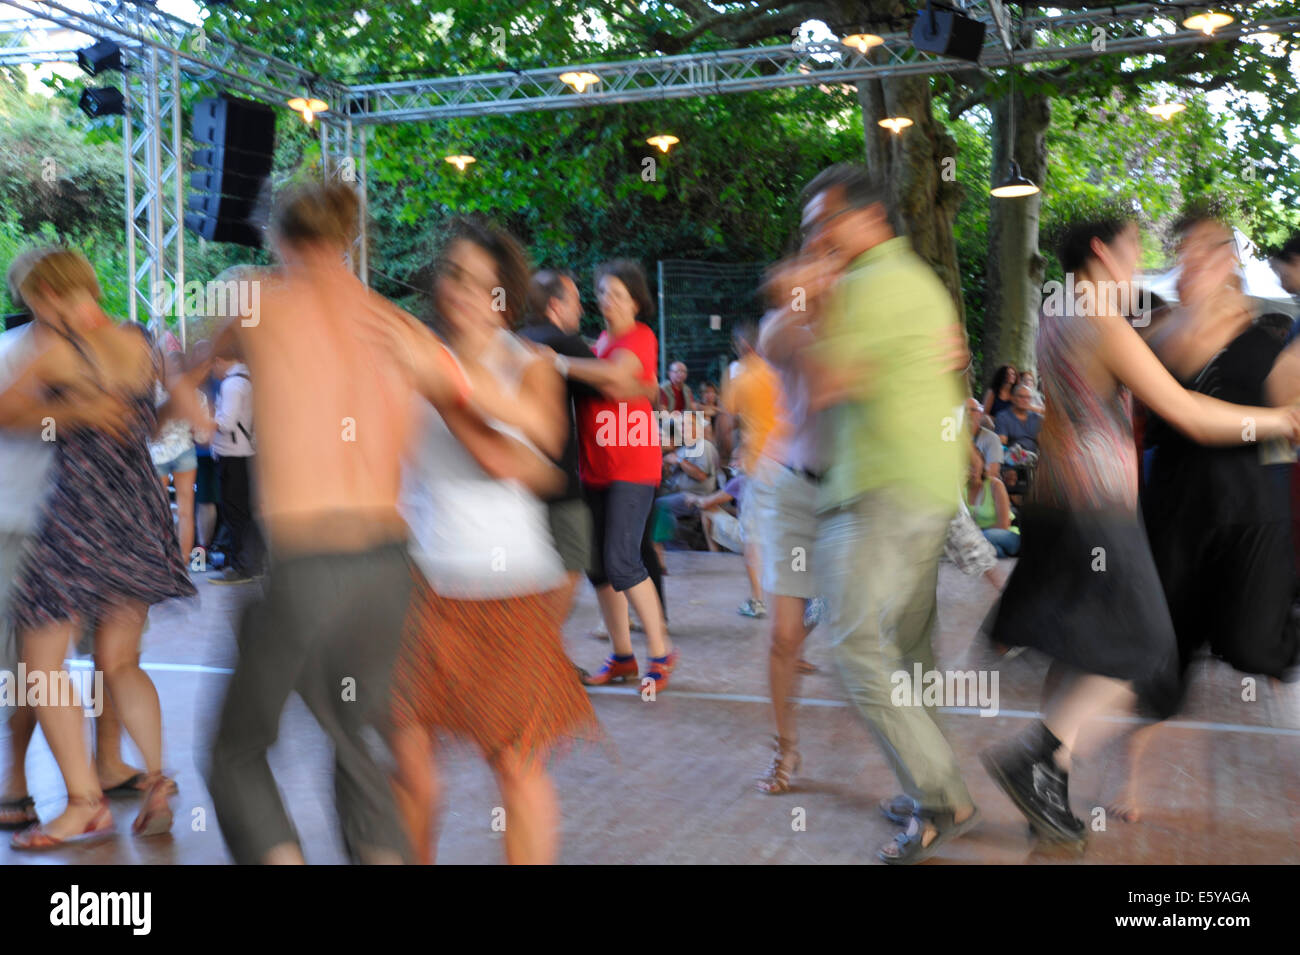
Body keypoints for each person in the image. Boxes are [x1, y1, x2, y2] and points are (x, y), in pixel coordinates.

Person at [979, 210, 1300, 847]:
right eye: (1135, 250)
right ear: (1102, 251)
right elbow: (1186, 413)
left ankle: (1047, 780)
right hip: (1101, 508)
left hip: (1061, 504)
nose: (1145, 262)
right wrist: (1279, 421)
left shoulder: (1058, 315)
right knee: (1146, 653)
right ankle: (1038, 758)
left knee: (1083, 652)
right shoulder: (1105, 320)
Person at [205, 183, 467, 865]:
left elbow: (193, 357)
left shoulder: (257, 300)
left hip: (308, 557)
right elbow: (468, 405)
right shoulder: (395, 324)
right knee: (352, 741)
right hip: (388, 562)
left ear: (278, 237)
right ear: (349, 237)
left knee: (236, 749)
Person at [389, 218, 597, 865]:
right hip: (417, 584)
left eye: (482, 284)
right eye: (453, 274)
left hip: (508, 588)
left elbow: (530, 454)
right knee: (409, 765)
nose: (462, 292)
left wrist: (446, 378)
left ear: (506, 295)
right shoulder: (412, 357)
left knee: (514, 766)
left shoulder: (530, 363)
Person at [799, 163, 977, 863]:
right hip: (921, 485)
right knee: (906, 653)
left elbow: (825, 385)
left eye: (822, 226)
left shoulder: (869, 285)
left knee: (855, 649)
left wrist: (808, 306)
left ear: (861, 218)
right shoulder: (915, 280)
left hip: (880, 490)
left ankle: (943, 796)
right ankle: (928, 784)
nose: (814, 240)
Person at [0, 248, 199, 848]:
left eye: (32, 299)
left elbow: (6, 413)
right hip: (140, 510)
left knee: (41, 664)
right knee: (120, 663)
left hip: (79, 518)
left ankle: (84, 804)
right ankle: (157, 779)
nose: (31, 310)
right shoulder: (138, 343)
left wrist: (70, 408)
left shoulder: (57, 349)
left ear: (46, 294)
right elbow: (172, 418)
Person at [1110, 215, 1300, 820]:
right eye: (1180, 255)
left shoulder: (1268, 339)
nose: (1186, 265)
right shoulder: (1160, 337)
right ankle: (1129, 780)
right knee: (1162, 652)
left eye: (1199, 254)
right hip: (1176, 513)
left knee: (1256, 646)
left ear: (1227, 261)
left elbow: (1292, 415)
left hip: (1250, 512)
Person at [577, 260, 677, 689]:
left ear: (636, 301)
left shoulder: (641, 337)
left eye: (617, 293)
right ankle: (622, 656)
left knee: (622, 559)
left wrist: (558, 361)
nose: (607, 301)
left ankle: (660, 652)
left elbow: (617, 382)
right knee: (598, 566)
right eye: (601, 292)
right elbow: (616, 380)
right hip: (595, 467)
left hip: (633, 468)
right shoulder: (599, 342)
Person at [149, 348, 213, 564]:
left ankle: (160, 562)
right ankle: (184, 563)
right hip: (185, 452)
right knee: (186, 511)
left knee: (158, 509)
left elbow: (146, 426)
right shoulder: (196, 395)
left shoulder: (153, 391)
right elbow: (203, 435)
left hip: (157, 454)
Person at [209, 343, 260, 584]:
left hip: (232, 454)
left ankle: (240, 566)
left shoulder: (231, 385)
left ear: (220, 360)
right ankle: (250, 563)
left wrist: (207, 420)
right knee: (244, 511)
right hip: (246, 452)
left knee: (234, 512)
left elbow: (226, 422)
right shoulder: (248, 379)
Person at [994, 382, 1043, 455]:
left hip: (1034, 458)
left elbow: (1042, 444)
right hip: (1012, 457)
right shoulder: (1003, 417)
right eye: (1021, 397)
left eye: (1028, 397)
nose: (1025, 400)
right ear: (1013, 399)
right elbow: (1002, 444)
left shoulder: (1037, 418)